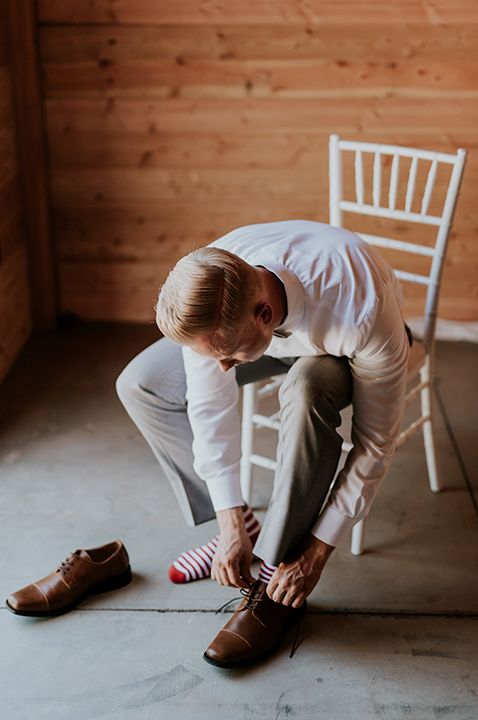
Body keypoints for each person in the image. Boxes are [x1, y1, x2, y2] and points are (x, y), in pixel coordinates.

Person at [115, 219, 410, 668]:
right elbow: (209, 407)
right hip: (267, 336)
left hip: (338, 343)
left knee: (305, 390)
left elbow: (376, 442)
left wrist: (315, 553)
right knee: (141, 384)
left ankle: (275, 577)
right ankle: (247, 530)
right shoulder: (213, 278)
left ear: (265, 315)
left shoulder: (361, 308)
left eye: (227, 357)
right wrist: (229, 517)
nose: (224, 368)